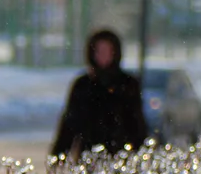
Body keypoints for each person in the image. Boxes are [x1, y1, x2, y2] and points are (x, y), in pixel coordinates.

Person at [50, 28, 148, 162]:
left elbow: (136, 124)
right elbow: (70, 124)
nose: (103, 55)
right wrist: (58, 157)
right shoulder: (83, 85)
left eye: (107, 51)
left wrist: (141, 155)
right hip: (88, 158)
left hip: (122, 158)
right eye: (99, 51)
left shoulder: (128, 85)